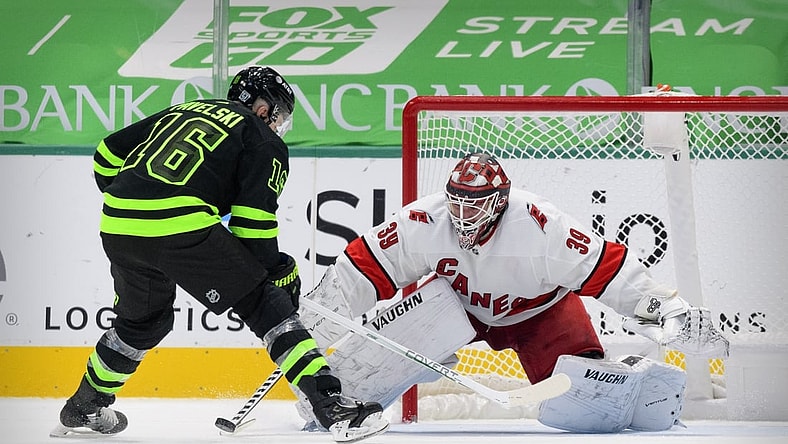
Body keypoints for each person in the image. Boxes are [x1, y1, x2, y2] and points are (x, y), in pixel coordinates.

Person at [51, 66, 389, 442]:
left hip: (118, 223)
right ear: (264, 109)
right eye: (279, 116)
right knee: (265, 304)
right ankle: (331, 406)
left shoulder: (185, 109)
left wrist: (134, 196)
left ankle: (85, 404)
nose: (278, 125)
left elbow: (106, 154)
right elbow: (252, 226)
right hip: (179, 224)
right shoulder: (263, 139)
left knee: (144, 321)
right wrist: (279, 273)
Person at [298, 151, 728, 433]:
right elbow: (367, 265)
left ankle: (629, 379)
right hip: (455, 307)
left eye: (475, 204)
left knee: (583, 407)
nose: (462, 215)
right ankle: (333, 402)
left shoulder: (545, 228)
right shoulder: (425, 220)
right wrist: (321, 312)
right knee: (375, 356)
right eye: (457, 202)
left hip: (541, 313)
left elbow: (609, 271)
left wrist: (665, 309)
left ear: (500, 201)